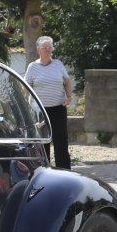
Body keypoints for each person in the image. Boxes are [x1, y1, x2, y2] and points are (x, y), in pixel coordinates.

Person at [24, 35, 74, 170]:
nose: (48, 50)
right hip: (40, 110)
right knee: (42, 141)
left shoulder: (58, 64)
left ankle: (64, 170)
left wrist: (69, 96)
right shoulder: (32, 67)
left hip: (58, 108)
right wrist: (24, 105)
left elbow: (67, 81)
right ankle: (44, 170)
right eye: (45, 47)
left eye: (50, 47)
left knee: (61, 140)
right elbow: (26, 87)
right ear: (38, 50)